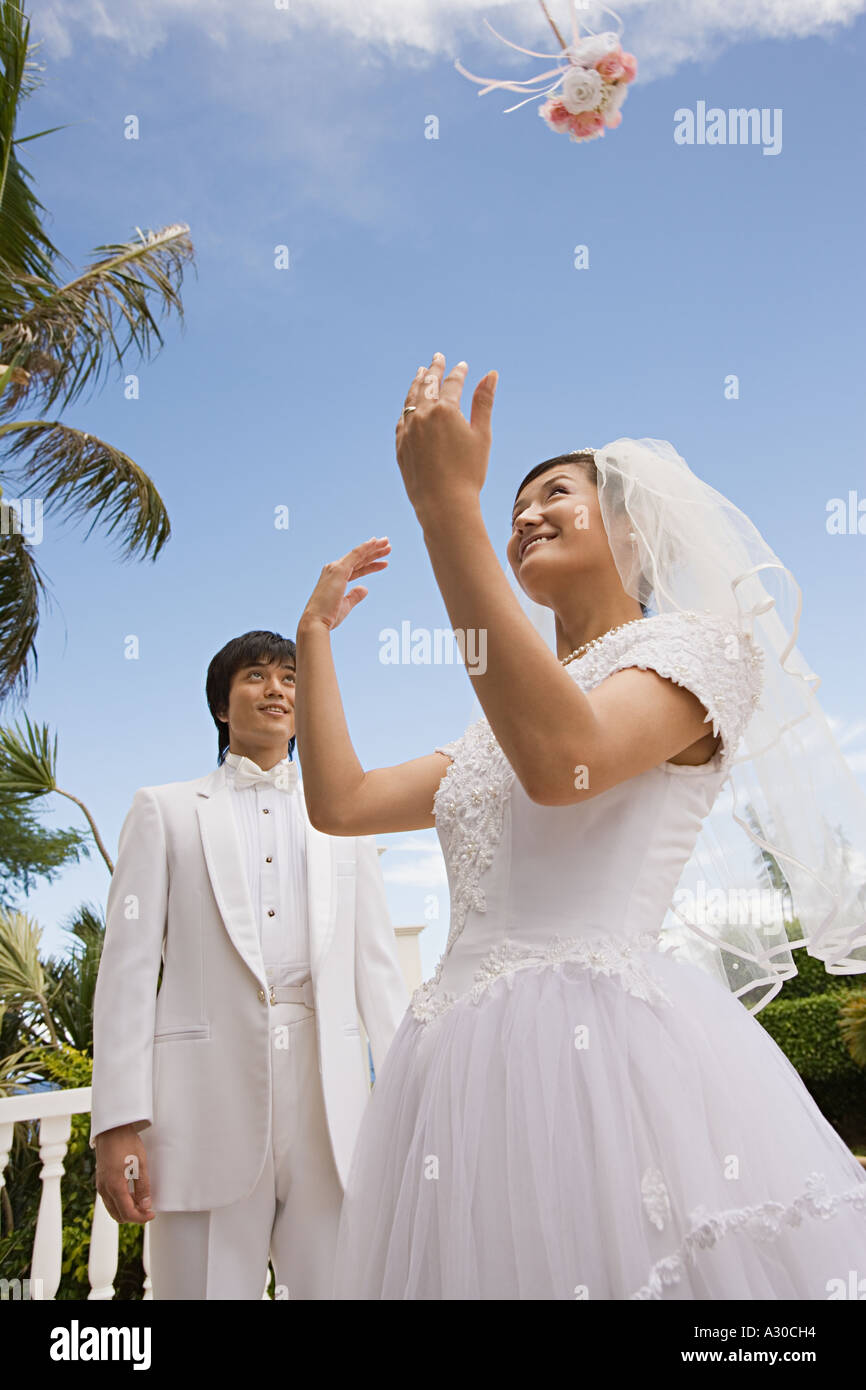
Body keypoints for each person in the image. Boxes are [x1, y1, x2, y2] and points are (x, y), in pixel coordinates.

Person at [292, 353, 866, 1299]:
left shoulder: (699, 654)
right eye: (510, 507)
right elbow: (341, 803)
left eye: (556, 493)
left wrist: (447, 511)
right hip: (454, 1071)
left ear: (636, 526)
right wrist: (314, 640)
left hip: (607, 1057)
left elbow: (569, 765)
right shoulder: (491, 737)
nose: (523, 516)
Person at [90, 630, 407, 1299]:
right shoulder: (165, 811)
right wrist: (116, 1122)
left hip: (331, 1108)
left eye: (291, 678)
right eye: (257, 676)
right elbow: (125, 973)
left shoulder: (349, 816)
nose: (278, 690)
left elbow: (377, 970)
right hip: (202, 1107)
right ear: (222, 707)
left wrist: (412, 1096)